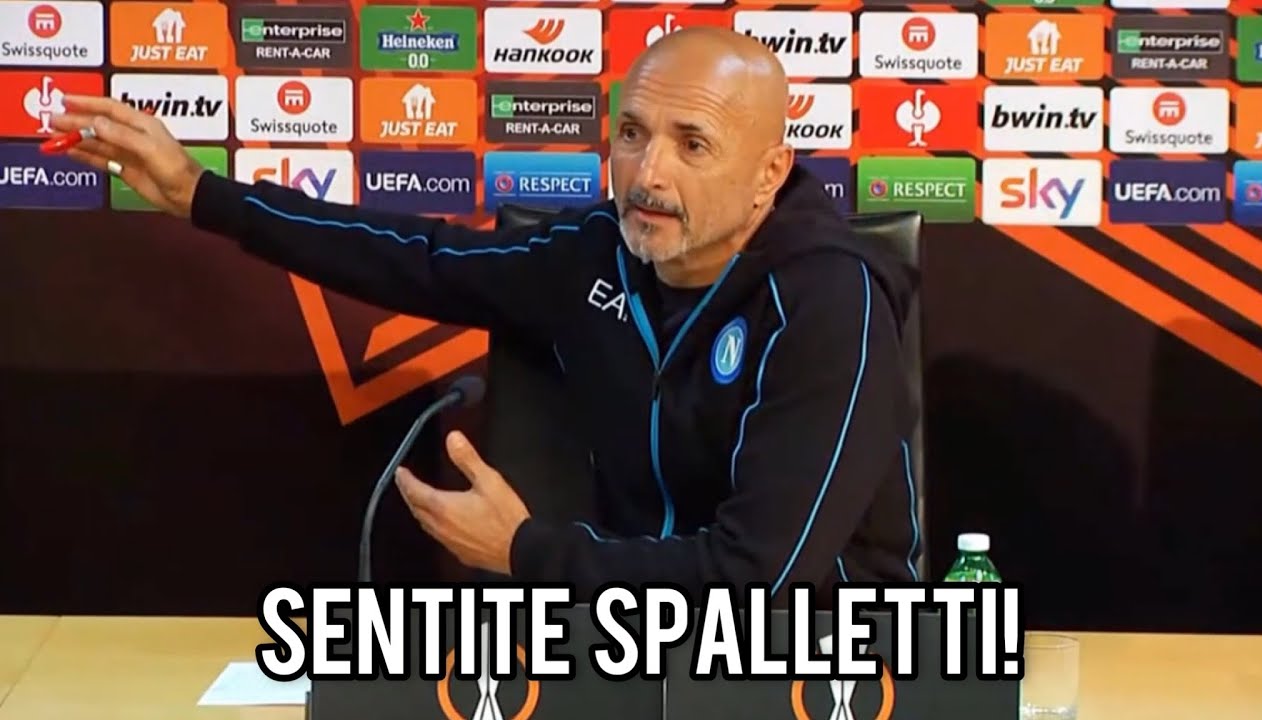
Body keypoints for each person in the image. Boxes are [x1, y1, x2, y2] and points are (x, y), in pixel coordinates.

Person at [52, 27, 922, 601]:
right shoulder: (595, 253)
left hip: (824, 662)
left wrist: (527, 553)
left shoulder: (828, 301)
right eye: (631, 133)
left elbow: (758, 581)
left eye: (692, 145)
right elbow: (415, 259)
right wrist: (201, 194)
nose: (648, 174)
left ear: (769, 174)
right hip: (633, 646)